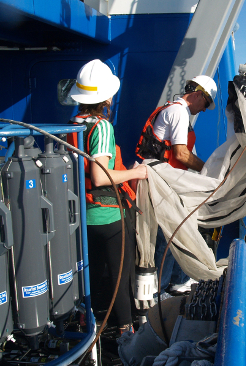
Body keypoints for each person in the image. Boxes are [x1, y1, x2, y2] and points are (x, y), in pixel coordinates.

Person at [68, 59, 148, 334]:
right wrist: (139, 173)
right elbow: (101, 176)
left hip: (82, 217)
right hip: (108, 215)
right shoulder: (101, 128)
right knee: (120, 279)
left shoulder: (72, 124)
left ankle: (90, 328)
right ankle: (127, 334)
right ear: (106, 98)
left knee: (95, 278)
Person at [135, 75, 217, 293]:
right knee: (169, 234)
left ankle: (176, 280)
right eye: (206, 104)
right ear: (199, 95)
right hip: (162, 182)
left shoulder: (175, 110)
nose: (204, 109)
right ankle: (162, 289)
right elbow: (181, 154)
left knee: (175, 231)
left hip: (166, 180)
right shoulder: (179, 112)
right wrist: (209, 172)